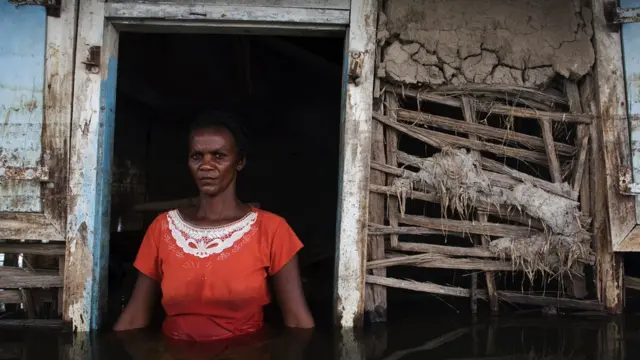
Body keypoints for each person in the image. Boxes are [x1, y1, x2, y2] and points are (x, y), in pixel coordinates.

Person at [113, 110, 315, 343]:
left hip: (245, 353)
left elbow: (298, 322)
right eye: (197, 156)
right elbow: (135, 316)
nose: (206, 166)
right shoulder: (162, 228)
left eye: (218, 156)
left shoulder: (272, 230)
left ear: (240, 162)